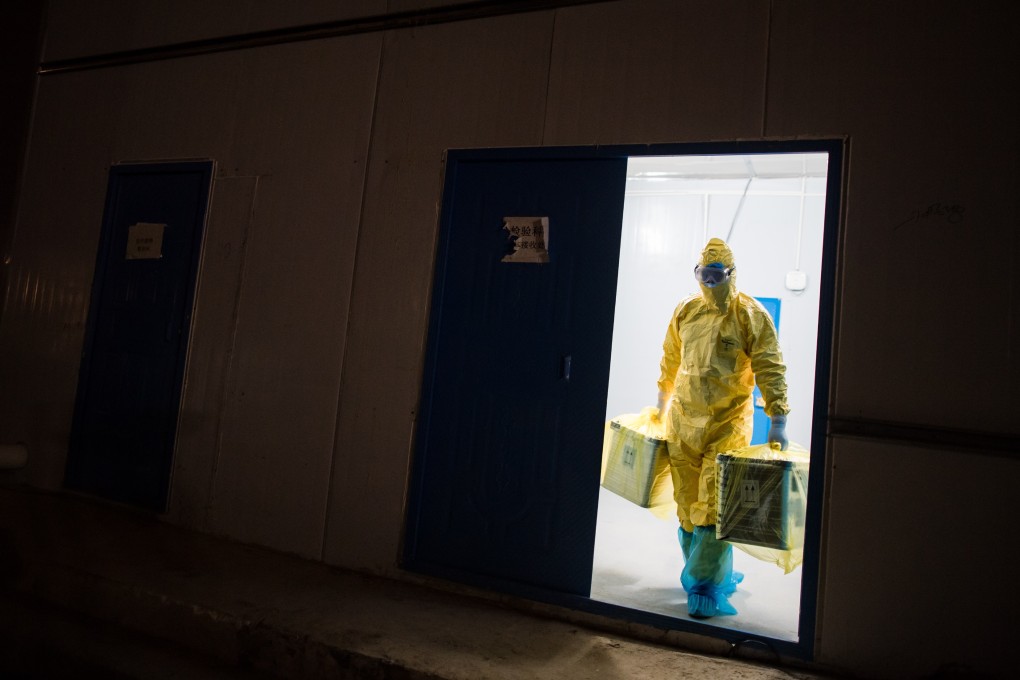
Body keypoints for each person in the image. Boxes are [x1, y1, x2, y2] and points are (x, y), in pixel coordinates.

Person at [654, 237, 789, 618]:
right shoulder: (687, 310)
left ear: (730, 274)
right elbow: (670, 355)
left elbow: (769, 364)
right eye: (703, 274)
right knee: (685, 505)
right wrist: (662, 400)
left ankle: (704, 586)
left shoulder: (750, 314)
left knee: (715, 507)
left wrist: (777, 417)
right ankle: (711, 574)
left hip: (726, 425)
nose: (708, 282)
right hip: (683, 422)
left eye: (715, 275)